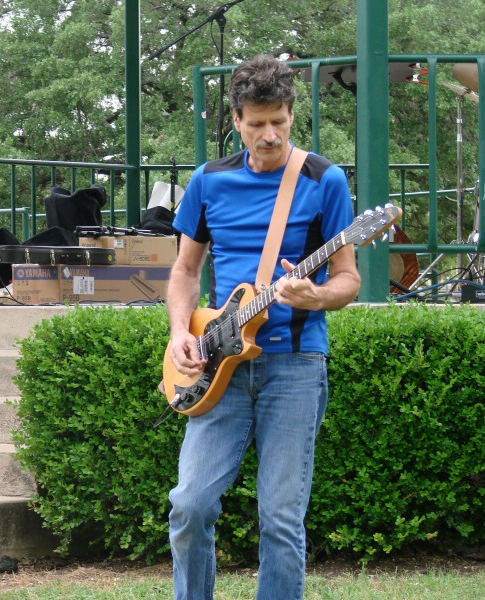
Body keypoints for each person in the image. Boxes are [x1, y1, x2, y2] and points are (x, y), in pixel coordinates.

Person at [166, 54, 362, 600]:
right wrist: (181, 331)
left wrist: (316, 295)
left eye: (279, 120)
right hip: (218, 365)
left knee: (280, 519)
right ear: (236, 121)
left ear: (292, 114)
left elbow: (348, 279)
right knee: (189, 505)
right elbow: (185, 271)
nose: (269, 135)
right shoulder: (209, 180)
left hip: (295, 366)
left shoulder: (324, 180)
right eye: (256, 123)